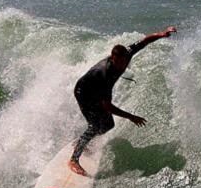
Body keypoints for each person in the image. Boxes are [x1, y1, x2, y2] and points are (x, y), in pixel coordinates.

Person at [68, 26, 177, 176]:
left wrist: (162, 34)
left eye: (124, 61)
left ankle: (82, 142)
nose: (121, 65)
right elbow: (108, 107)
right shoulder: (105, 74)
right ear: (112, 59)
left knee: (108, 125)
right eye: (118, 62)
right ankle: (74, 159)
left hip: (96, 91)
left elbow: (144, 41)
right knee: (95, 125)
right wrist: (131, 117)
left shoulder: (127, 55)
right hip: (84, 93)